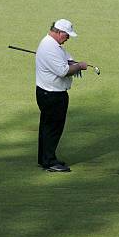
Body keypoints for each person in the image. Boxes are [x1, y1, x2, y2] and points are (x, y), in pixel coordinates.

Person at [35, 19, 87, 172]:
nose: (68, 38)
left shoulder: (53, 45)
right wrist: (79, 66)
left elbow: (66, 59)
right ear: (59, 32)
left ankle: (45, 158)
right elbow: (63, 71)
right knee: (53, 128)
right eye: (67, 35)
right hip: (52, 95)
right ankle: (50, 162)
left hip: (48, 93)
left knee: (47, 127)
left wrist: (72, 62)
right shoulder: (49, 47)